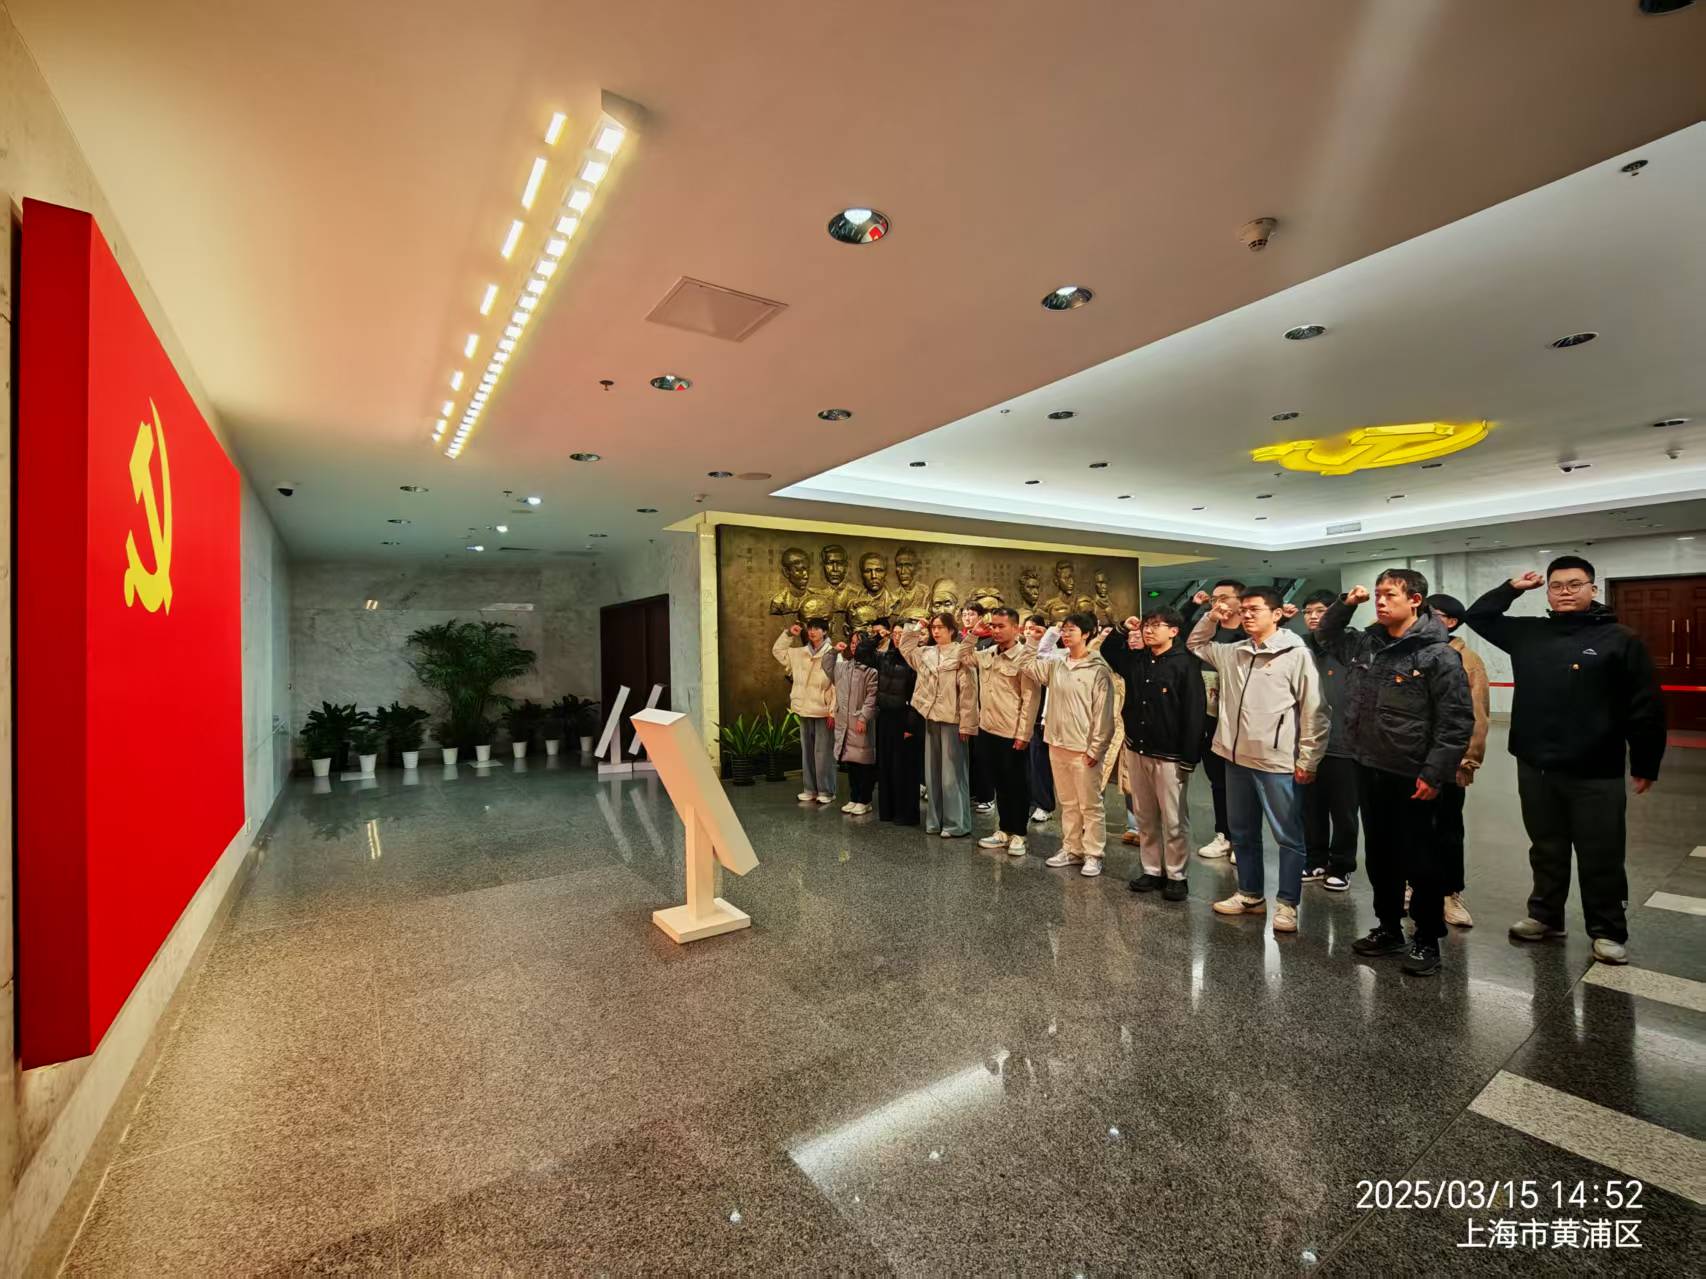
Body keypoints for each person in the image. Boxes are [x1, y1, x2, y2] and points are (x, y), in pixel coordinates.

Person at [1465, 556, 1665, 965]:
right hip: (1536, 764)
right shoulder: (1529, 633)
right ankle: (1545, 916)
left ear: (1593, 588)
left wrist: (1646, 763)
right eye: (1557, 586)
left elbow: (1644, 705)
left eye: (1575, 584)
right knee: (1546, 847)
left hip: (1597, 768)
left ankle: (1607, 930)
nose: (1565, 592)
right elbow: (1478, 616)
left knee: (1601, 854)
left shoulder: (1620, 639)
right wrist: (1512, 588)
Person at [1316, 572, 1473, 976]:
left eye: (1390, 595)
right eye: (1378, 595)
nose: (1381, 602)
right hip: (1369, 765)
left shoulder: (1437, 655)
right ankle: (1388, 927)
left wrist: (1434, 773)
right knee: (1381, 857)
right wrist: (1346, 604)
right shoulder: (1366, 644)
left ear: (1415, 600)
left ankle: (1427, 938)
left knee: (1421, 861)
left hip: (1413, 773)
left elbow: (1456, 720)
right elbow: (1326, 635)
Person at [1188, 587, 1325, 932]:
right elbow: (1196, 644)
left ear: (1276, 614)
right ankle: (1250, 894)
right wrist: (1211, 616)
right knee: (1242, 832)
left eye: (1255, 609)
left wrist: (1308, 759)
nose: (1247, 615)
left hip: (1276, 762)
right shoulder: (1234, 651)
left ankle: (1288, 903)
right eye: (1244, 609)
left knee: (1288, 836)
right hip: (1235, 758)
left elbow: (1315, 710)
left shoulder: (1295, 654)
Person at [1105, 607, 1206, 902]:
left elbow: (1194, 712)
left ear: (1173, 631)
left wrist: (1189, 756)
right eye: (1146, 625)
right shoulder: (1138, 660)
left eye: (1156, 626)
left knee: (1173, 819)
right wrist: (1123, 628)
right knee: (1145, 815)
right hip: (1138, 748)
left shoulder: (1185, 664)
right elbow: (1110, 651)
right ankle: (1151, 869)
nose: (1148, 630)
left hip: (1170, 754)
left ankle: (1176, 875)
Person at [1013, 613, 1116, 876]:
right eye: (1065, 630)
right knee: (1068, 803)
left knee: (1090, 805)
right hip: (1057, 742)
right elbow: (1026, 665)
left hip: (1083, 747)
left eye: (1073, 630)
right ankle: (1072, 848)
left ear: (1087, 634)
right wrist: (1034, 640)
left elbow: (1104, 714)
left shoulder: (1097, 669)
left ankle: (1093, 853)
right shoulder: (1057, 664)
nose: (1067, 635)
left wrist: (1097, 748)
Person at [1425, 594, 1491, 928]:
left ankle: (1450, 893)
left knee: (1448, 829)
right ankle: (1414, 886)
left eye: (1433, 615)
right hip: (1409, 760)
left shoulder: (1468, 660)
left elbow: (1478, 716)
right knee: (1413, 829)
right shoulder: (1409, 651)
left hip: (1449, 761)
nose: (1424, 620)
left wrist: (1468, 760)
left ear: (1451, 622)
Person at [959, 608, 1041, 856]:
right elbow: (963, 657)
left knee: (1016, 784)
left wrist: (1024, 733)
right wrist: (974, 634)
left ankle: (1019, 834)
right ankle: (1004, 829)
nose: (995, 630)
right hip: (988, 728)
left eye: (1001, 626)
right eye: (993, 626)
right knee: (999, 783)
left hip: (1011, 731)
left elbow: (1030, 699)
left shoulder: (1025, 658)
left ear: (1016, 628)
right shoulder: (988, 654)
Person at [897, 613, 979, 838]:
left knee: (952, 775)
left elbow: (969, 693)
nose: (936, 631)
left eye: (941, 627)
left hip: (953, 719)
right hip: (931, 716)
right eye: (933, 627)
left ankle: (956, 823)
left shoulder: (961, 653)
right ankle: (935, 821)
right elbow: (905, 647)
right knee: (932, 773)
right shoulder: (927, 652)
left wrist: (967, 725)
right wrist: (917, 626)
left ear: (952, 630)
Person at [1299, 589, 1360, 891]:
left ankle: (1342, 864)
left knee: (1344, 811)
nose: (1313, 617)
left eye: (1320, 610)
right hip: (1309, 743)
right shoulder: (1299, 646)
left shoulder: (1350, 645)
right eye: (1308, 611)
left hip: (1344, 744)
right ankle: (1315, 859)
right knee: (1311, 808)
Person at [1184, 580, 1247, 861]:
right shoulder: (1210, 633)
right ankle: (1224, 834)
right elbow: (1192, 643)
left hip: (1242, 722)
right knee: (1218, 782)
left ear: (1240, 601)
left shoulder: (1248, 635)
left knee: (1244, 784)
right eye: (1214, 598)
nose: (1217, 602)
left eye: (1224, 597)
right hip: (1210, 719)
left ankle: (1243, 839)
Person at [772, 619, 837, 804]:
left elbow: (837, 685)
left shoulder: (833, 654)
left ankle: (826, 791)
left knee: (823, 753)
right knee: (807, 752)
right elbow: (778, 652)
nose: (812, 631)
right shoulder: (799, 653)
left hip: (823, 710)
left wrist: (833, 711)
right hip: (804, 708)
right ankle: (810, 789)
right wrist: (789, 634)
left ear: (825, 632)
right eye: (810, 628)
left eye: (816, 628)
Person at [872, 620, 922, 826]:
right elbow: (862, 654)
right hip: (885, 715)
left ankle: (905, 814)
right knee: (885, 765)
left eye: (902, 634)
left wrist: (911, 725)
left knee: (904, 768)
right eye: (895, 633)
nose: (897, 637)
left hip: (905, 718)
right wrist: (878, 636)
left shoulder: (915, 660)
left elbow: (918, 696)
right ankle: (888, 811)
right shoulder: (886, 657)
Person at [824, 632, 880, 816]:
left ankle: (865, 800)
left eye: (858, 642)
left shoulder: (871, 671)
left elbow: (872, 698)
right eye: (853, 642)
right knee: (851, 763)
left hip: (859, 723)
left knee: (864, 763)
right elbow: (827, 666)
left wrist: (863, 718)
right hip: (844, 723)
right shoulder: (843, 667)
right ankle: (854, 798)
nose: (854, 645)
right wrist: (833, 651)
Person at [959, 601, 997, 813]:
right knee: (969, 752)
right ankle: (972, 791)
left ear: (981, 617)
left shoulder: (990, 640)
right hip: (965, 702)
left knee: (983, 753)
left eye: (971, 614)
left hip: (985, 701)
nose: (967, 617)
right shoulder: (960, 639)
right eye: (964, 614)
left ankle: (987, 795)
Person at [1023, 613, 1056, 823]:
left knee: (1040, 762)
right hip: (1024, 713)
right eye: (1027, 628)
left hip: (1042, 715)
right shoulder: (1022, 651)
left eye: (1035, 629)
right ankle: (1029, 801)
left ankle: (1044, 804)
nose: (1030, 632)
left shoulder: (1050, 654)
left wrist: (1044, 639)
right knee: (1026, 764)